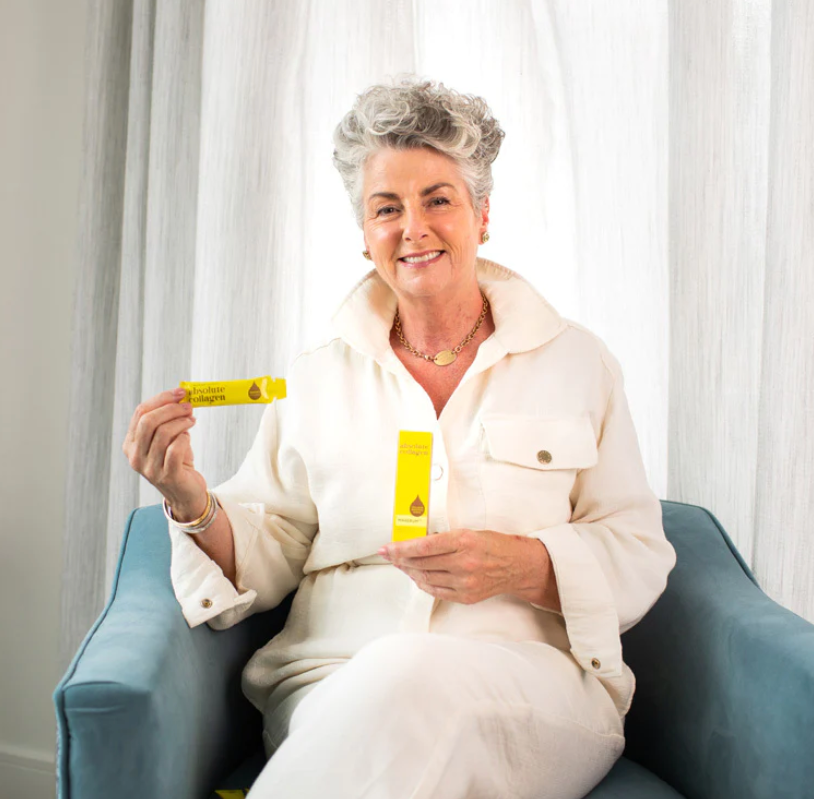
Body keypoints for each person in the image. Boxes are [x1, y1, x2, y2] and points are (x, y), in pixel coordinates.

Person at [123, 79, 676, 799]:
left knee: (411, 673)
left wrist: (525, 565)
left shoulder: (579, 363)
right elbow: (275, 549)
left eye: (438, 199)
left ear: (482, 215)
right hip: (335, 685)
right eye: (387, 208)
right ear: (364, 235)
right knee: (394, 691)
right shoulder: (318, 376)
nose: (412, 227)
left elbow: (637, 549)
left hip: (535, 696)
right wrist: (190, 499)